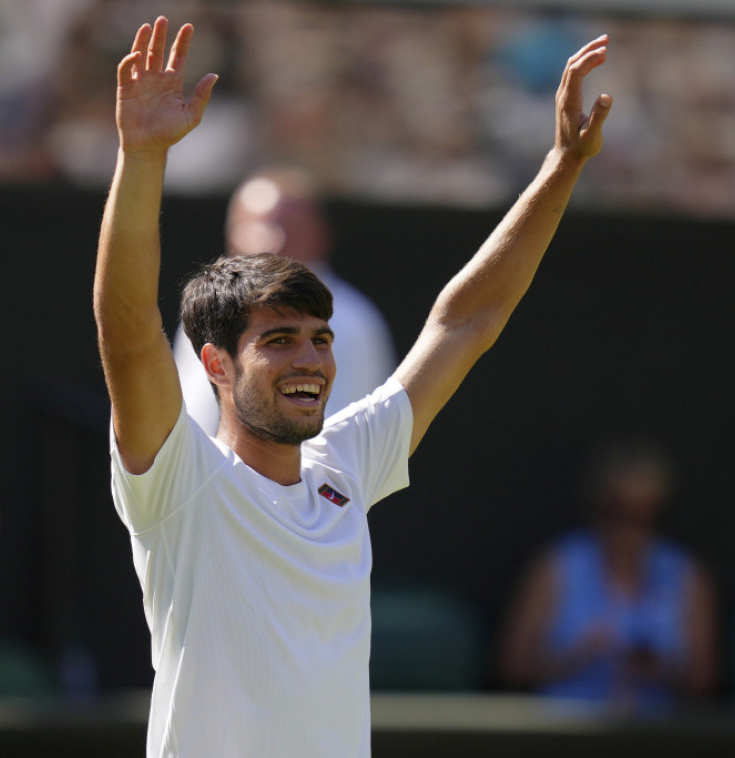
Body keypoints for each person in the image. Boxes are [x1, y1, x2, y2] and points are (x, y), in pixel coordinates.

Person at [94, 16, 611, 757]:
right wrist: (141, 158)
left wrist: (562, 164)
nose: (310, 360)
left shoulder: (346, 464)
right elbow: (127, 329)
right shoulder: (179, 482)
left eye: (321, 339)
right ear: (216, 364)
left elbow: (468, 320)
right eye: (279, 341)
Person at [171, 165, 396, 433]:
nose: (272, 240)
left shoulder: (353, 321)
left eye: (288, 226)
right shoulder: (205, 312)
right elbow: (190, 413)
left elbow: (344, 437)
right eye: (256, 226)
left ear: (320, 236)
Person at [498, 440, 718, 712]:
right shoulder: (556, 564)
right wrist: (575, 656)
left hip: (658, 730)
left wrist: (658, 668)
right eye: (619, 512)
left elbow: (703, 681)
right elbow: (512, 667)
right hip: (565, 728)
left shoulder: (686, 572)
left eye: (646, 515)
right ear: (597, 506)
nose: (630, 530)